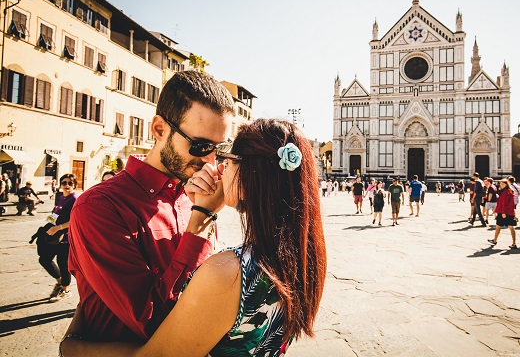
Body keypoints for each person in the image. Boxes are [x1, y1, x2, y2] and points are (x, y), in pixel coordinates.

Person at [61, 118, 327, 356]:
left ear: (248, 176)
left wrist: (73, 346)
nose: (217, 167)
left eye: (227, 159)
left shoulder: (228, 273)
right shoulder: (302, 258)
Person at [67, 70, 235, 341]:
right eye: (201, 145)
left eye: (220, 147)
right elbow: (154, 323)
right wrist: (202, 217)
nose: (210, 161)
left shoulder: (192, 196)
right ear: (159, 129)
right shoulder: (99, 207)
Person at [37, 174, 78, 302]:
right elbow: (54, 214)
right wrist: (46, 226)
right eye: (64, 183)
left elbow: (75, 220)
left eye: (70, 183)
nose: (66, 185)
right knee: (44, 259)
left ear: (74, 185)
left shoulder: (74, 199)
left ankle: (66, 290)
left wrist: (58, 228)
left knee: (63, 264)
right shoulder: (61, 198)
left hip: (65, 238)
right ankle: (60, 282)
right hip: (54, 236)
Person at [488, 178, 517, 249]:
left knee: (509, 227)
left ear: (507, 184)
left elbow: (504, 203)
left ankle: (513, 243)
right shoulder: (509, 191)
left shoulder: (505, 193)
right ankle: (496, 240)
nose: (501, 185)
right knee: (501, 226)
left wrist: (503, 212)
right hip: (509, 211)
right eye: (500, 184)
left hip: (504, 212)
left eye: (503, 184)